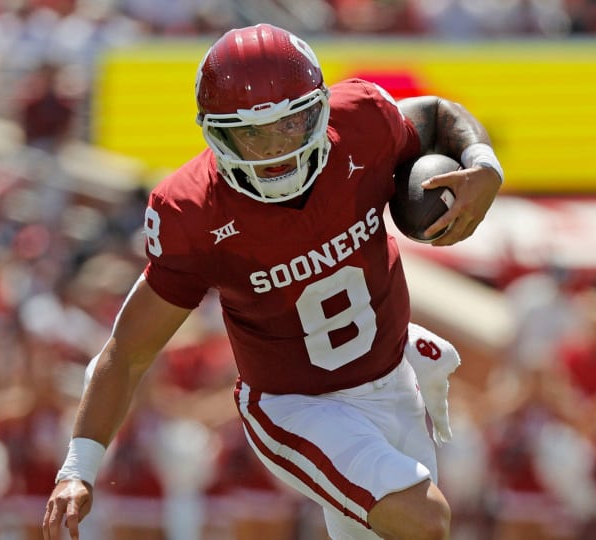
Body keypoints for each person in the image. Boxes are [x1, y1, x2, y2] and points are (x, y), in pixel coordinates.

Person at [42, 23, 503, 540]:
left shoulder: (362, 121)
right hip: (296, 405)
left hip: (394, 377)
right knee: (425, 519)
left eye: (290, 123)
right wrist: (77, 468)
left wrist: (483, 163)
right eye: (252, 134)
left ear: (319, 108)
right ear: (217, 134)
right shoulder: (193, 211)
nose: (275, 149)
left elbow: (437, 115)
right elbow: (128, 351)